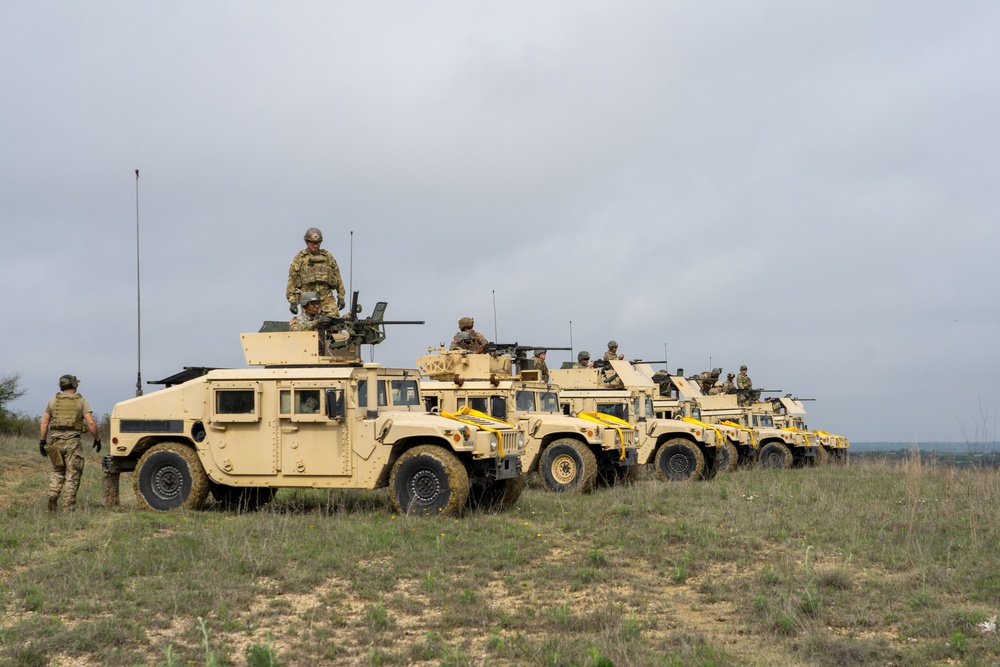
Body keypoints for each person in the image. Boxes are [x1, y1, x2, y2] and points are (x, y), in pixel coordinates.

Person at [38, 374, 101, 512]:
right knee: (72, 476)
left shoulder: (52, 401)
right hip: (73, 444)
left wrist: (42, 442)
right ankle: (68, 509)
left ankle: (53, 494)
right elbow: (90, 422)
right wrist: (97, 438)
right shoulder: (81, 401)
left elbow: (44, 423)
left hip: (55, 444)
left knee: (58, 471)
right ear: (74, 385)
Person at [286, 227, 346, 317]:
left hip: (326, 296)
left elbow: (337, 276)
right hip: (308, 299)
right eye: (312, 243)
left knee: (333, 321)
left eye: (317, 243)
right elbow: (292, 280)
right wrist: (292, 301)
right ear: (307, 242)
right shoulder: (300, 258)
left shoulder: (327, 257)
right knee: (310, 323)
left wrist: (341, 296)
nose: (315, 245)